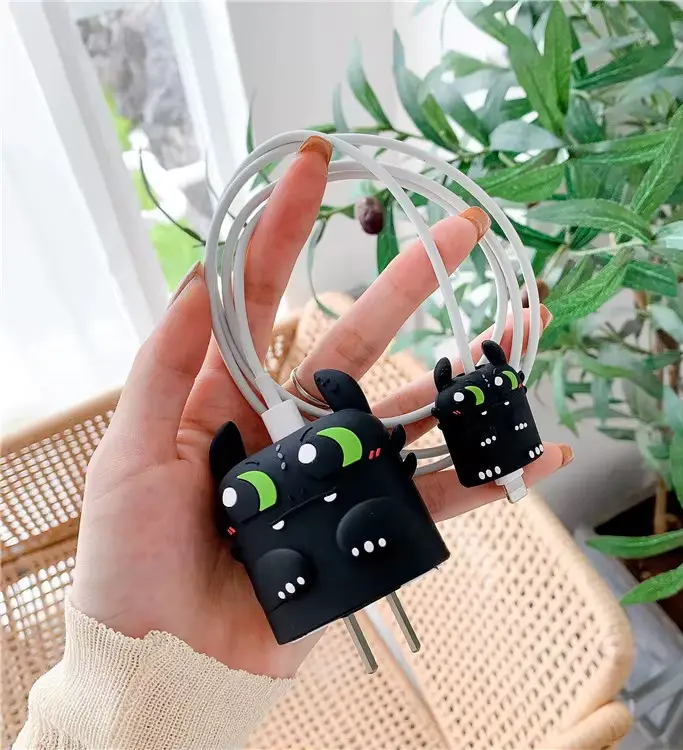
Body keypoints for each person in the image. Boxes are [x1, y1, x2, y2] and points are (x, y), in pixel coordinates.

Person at [16, 136, 571, 749]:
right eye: (252, 494)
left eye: (335, 454)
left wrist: (133, 705)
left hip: (334, 527)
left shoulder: (287, 466)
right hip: (296, 559)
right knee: (323, 537)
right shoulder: (252, 482)